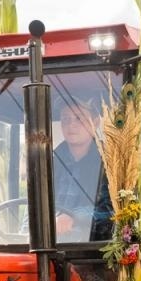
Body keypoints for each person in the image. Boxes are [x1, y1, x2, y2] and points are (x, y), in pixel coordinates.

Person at [52, 98, 109, 241]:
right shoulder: (49, 161)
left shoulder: (108, 163)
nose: (71, 125)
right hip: (48, 245)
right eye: (65, 119)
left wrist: (74, 216)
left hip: (87, 250)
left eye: (79, 118)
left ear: (95, 123)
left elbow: (110, 210)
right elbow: (34, 204)